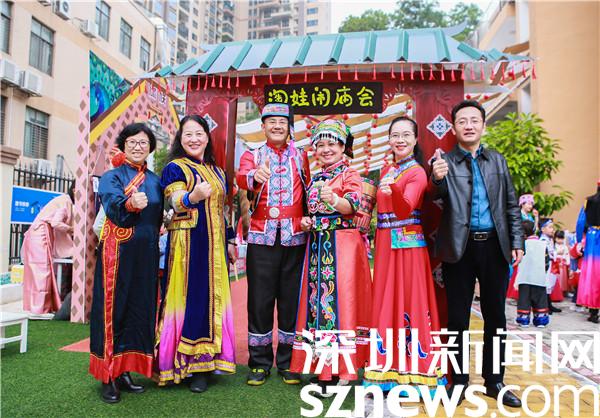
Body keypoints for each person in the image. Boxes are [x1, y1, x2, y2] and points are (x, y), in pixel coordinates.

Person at [430, 100, 523, 408]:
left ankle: (495, 381)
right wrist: (437, 177)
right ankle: (459, 381)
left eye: (474, 120)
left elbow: (511, 204)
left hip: (495, 246)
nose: (468, 125)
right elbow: (435, 196)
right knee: (458, 318)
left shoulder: (497, 160)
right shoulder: (444, 161)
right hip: (460, 247)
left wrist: (517, 241)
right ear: (454, 127)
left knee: (496, 316)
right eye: (462, 121)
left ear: (483, 125)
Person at [363, 116, 445, 395]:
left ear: (415, 139)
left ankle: (416, 370)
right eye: (395, 135)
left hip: (408, 246)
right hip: (387, 243)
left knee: (410, 299)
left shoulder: (417, 172)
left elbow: (405, 208)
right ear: (389, 139)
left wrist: (394, 189)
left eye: (405, 135)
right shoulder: (389, 169)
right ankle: (386, 369)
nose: (400, 140)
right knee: (387, 299)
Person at [289, 119, 371, 395]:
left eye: (332, 144)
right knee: (318, 304)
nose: (326, 149)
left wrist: (335, 200)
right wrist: (306, 222)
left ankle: (341, 370)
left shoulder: (350, 174)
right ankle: (324, 368)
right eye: (321, 145)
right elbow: (310, 211)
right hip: (318, 245)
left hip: (342, 246)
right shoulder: (315, 178)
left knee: (339, 304)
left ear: (343, 147)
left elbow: (352, 205)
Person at [155, 115, 236, 392]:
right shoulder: (175, 168)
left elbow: (223, 210)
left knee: (214, 299)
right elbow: (175, 201)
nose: (194, 139)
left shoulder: (217, 171)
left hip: (216, 245)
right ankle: (189, 365)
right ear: (180, 138)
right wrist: (193, 197)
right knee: (191, 299)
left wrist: (231, 240)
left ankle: (209, 361)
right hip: (188, 245)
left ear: (207, 137)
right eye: (188, 134)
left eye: (199, 133)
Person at [89, 123, 163, 403]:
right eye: (132, 142)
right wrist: (130, 204)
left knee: (138, 310)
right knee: (113, 311)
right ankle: (107, 374)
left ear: (150, 148)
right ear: (123, 145)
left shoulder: (155, 181)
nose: (138, 147)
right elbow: (112, 205)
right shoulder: (112, 176)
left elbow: (159, 216)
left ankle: (124, 371)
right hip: (117, 253)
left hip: (146, 254)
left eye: (143, 142)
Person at [236, 103, 309, 386]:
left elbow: (310, 189)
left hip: (295, 237)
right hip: (261, 236)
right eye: (271, 121)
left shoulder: (301, 156)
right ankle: (259, 362)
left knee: (292, 300)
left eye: (282, 122)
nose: (277, 126)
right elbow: (241, 177)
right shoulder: (253, 155)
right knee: (260, 300)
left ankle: (289, 362)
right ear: (263, 126)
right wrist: (254, 176)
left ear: (289, 127)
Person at [21, 181, 75, 315]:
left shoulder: (65, 201)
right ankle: (40, 308)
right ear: (75, 190)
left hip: (39, 234)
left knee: (40, 271)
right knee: (42, 271)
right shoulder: (65, 202)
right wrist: (71, 229)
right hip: (40, 235)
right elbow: (56, 223)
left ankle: (39, 307)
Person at [514, 220, 549, 328]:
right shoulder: (543, 244)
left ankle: (523, 319)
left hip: (524, 277)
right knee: (540, 299)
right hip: (539, 277)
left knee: (524, 299)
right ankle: (541, 320)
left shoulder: (521, 245)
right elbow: (547, 262)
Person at [575, 181, 600, 323]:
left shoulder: (589, 201)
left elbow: (580, 222)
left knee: (593, 274)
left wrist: (579, 240)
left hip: (592, 237)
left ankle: (593, 311)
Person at [539, 219, 563, 310]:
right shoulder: (543, 240)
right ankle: (545, 305)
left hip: (551, 263)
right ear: (543, 229)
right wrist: (557, 253)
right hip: (546, 264)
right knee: (546, 283)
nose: (552, 230)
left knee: (550, 283)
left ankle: (549, 304)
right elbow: (547, 252)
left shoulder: (549, 239)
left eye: (552, 227)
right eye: (549, 227)